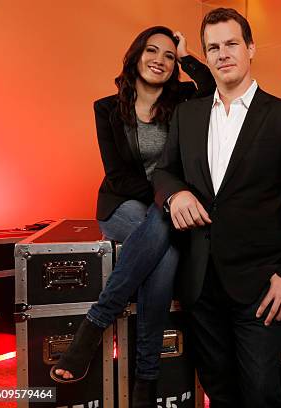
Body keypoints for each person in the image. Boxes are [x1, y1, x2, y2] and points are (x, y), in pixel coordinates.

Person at [152, 8, 281, 407]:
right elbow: (164, 173)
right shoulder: (187, 114)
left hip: (262, 286)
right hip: (199, 282)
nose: (222, 54)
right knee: (218, 391)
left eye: (231, 44)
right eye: (212, 47)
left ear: (250, 48)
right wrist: (176, 195)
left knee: (262, 393)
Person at [50, 26, 215, 407]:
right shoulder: (106, 108)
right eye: (152, 51)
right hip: (122, 204)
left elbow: (209, 84)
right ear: (136, 55)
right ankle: (145, 378)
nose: (159, 60)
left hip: (164, 206)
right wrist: (167, 199)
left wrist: (188, 54)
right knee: (163, 231)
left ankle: (93, 330)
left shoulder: (182, 99)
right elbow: (117, 175)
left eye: (169, 56)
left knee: (168, 254)